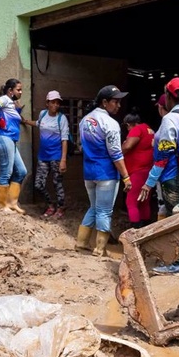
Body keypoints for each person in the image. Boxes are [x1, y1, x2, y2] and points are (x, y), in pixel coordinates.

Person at [138, 78, 179, 276]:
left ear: (170, 97)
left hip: (173, 178)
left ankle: (176, 264)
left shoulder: (170, 120)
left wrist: (148, 183)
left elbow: (162, 158)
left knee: (176, 221)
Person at [75, 85, 132, 257]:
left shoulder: (84, 121)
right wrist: (126, 177)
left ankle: (81, 243)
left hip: (89, 172)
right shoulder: (111, 124)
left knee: (94, 207)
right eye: (115, 101)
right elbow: (116, 154)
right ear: (104, 102)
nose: (118, 105)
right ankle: (100, 249)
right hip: (106, 174)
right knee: (104, 211)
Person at [22, 90, 70, 219]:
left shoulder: (61, 118)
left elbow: (64, 140)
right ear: (47, 103)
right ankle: (50, 205)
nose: (56, 105)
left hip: (56, 156)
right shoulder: (43, 114)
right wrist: (26, 122)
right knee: (38, 184)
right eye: (53, 102)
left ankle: (61, 207)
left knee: (57, 183)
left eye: (58, 103)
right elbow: (38, 124)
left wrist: (63, 159)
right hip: (43, 156)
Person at [0, 78, 28, 214]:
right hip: (2, 137)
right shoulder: (5, 99)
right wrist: (0, 121)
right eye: (18, 89)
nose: (21, 92)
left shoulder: (11, 103)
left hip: (10, 139)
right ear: (10, 91)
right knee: (6, 171)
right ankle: (1, 205)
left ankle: (12, 203)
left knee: (21, 171)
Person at [121, 108, 155, 228]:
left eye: (127, 127)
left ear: (128, 124)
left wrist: (118, 152)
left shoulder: (136, 129)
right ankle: (146, 229)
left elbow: (128, 146)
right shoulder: (149, 129)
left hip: (138, 171)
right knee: (143, 201)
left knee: (131, 202)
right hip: (148, 170)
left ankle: (136, 230)